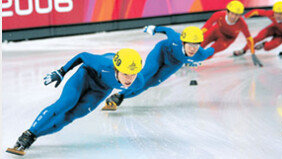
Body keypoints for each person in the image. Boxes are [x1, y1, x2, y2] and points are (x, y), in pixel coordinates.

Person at [6, 48, 144, 156]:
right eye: (125, 73)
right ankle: (28, 133)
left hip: (101, 90)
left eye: (133, 74)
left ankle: (34, 136)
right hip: (85, 76)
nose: (129, 79)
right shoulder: (103, 63)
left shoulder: (137, 82)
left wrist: (118, 97)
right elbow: (82, 55)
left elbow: (134, 88)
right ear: (116, 68)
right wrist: (61, 72)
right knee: (66, 103)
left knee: (71, 116)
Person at [101, 26, 215, 111]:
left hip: (173, 64)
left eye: (196, 45)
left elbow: (212, 50)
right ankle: (118, 86)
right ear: (183, 42)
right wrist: (154, 29)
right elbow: (168, 30)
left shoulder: (201, 55)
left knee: (151, 83)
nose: (192, 49)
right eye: (190, 45)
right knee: (147, 73)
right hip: (161, 52)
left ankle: (120, 96)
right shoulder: (175, 39)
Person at [200, 0, 262, 67]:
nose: (233, 17)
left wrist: (253, 53)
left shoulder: (242, 24)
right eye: (232, 13)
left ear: (240, 15)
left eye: (237, 15)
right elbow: (207, 26)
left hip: (226, 39)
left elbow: (249, 38)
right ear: (227, 12)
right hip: (215, 31)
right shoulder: (219, 15)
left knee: (208, 52)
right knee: (198, 44)